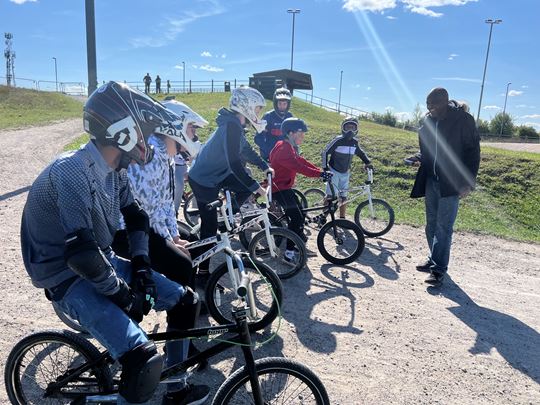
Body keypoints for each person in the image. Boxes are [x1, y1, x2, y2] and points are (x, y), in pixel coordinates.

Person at [20, 81, 209, 404]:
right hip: (65, 277)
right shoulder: (72, 171)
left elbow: (136, 218)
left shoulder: (113, 169)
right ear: (124, 131)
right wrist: (124, 296)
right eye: (144, 130)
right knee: (142, 361)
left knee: (186, 302)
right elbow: (81, 255)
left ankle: (176, 389)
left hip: (99, 259)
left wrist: (142, 268)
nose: (147, 144)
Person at [188, 86, 271, 282]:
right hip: (204, 180)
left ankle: (229, 212)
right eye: (257, 108)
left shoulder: (235, 125)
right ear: (246, 106)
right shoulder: (232, 126)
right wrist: (255, 186)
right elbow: (235, 162)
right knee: (209, 230)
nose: (258, 113)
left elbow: (247, 151)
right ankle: (202, 273)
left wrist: (265, 166)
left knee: (243, 189)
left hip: (216, 175)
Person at [410, 88, 480, 287]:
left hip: (452, 182)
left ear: (445, 102)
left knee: (444, 227)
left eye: (433, 105)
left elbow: (473, 153)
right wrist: (419, 157)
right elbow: (430, 150)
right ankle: (433, 258)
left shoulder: (463, 120)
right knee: (431, 223)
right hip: (431, 179)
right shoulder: (429, 121)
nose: (429, 109)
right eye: (427, 105)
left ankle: (439, 269)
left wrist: (468, 183)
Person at [270, 117, 333, 261]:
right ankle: (289, 253)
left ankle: (299, 243)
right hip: (279, 189)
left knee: (301, 214)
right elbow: (298, 167)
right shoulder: (283, 148)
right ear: (291, 133)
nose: (303, 136)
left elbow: (301, 161)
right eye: (301, 133)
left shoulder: (287, 146)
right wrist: (320, 174)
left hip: (284, 187)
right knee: (297, 218)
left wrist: (321, 171)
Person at [160, 99, 208, 215]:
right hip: (177, 166)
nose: (194, 135)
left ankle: (195, 209)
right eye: (192, 128)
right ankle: (175, 211)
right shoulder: (154, 160)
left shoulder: (165, 156)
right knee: (178, 184)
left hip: (181, 165)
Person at [321, 117, 373, 219]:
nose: (350, 130)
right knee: (331, 196)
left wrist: (367, 162)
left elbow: (361, 153)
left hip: (346, 172)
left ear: (356, 129)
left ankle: (342, 219)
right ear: (342, 128)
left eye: (352, 128)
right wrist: (325, 168)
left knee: (344, 197)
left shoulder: (355, 142)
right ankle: (322, 218)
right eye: (347, 127)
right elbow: (325, 152)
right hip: (333, 171)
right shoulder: (338, 140)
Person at [254, 87, 293, 161]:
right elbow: (258, 138)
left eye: (284, 104)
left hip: (284, 155)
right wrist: (267, 150)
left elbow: (293, 136)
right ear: (275, 103)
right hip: (270, 155)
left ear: (288, 104)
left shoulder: (289, 116)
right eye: (280, 103)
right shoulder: (268, 116)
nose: (282, 106)